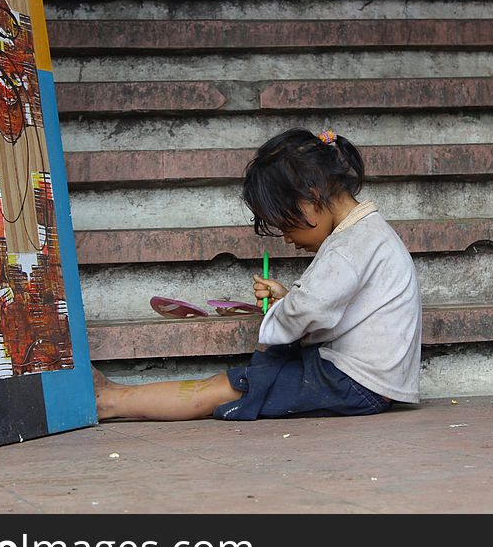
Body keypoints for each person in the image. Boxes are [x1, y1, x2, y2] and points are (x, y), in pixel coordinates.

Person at [92, 127, 422, 421]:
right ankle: (118, 394)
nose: (290, 240)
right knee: (235, 382)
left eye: (285, 226)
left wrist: (274, 323)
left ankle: (110, 402)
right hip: (365, 379)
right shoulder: (366, 234)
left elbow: (310, 309)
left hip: (354, 383)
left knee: (226, 387)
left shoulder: (349, 246)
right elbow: (334, 305)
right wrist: (287, 298)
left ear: (311, 199)